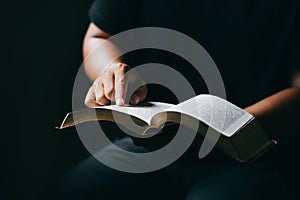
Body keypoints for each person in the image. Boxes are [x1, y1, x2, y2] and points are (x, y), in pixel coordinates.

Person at [43, 0, 300, 199]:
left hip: (253, 160)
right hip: (151, 145)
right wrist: (111, 68)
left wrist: (236, 128)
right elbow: (98, 35)